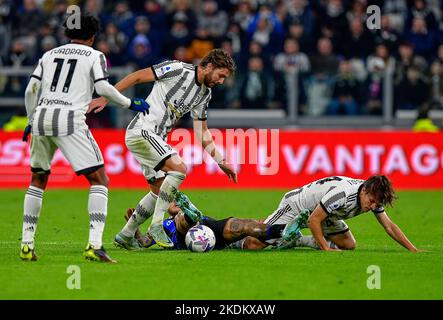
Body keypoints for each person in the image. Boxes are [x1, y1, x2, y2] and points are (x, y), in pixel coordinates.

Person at [20, 13, 150, 263]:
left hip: (40, 118)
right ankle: (95, 245)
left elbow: (31, 90)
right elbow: (101, 89)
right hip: (68, 121)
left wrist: (30, 119)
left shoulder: (48, 55)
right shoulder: (94, 55)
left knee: (37, 179)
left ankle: (27, 244)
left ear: (68, 34)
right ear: (92, 37)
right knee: (99, 178)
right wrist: (129, 102)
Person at [89, 49, 238, 249]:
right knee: (179, 169)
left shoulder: (204, 94)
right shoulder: (177, 69)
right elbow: (137, 76)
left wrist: (221, 161)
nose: (221, 81)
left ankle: (125, 235)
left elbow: (202, 132)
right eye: (221, 76)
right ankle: (157, 225)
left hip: (155, 138)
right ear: (209, 66)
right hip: (142, 130)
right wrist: (106, 97)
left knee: (158, 191)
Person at [242, 175, 422, 252]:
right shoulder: (343, 194)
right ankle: (242, 228)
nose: (372, 206)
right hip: (297, 206)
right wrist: (325, 248)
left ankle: (296, 239)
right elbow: (314, 220)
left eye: (377, 203)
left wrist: (412, 249)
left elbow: (389, 226)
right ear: (365, 190)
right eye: (372, 201)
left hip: (326, 214)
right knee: (253, 244)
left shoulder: (371, 196)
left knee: (348, 244)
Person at [122, 192, 288, 251]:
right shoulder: (162, 226)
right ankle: (189, 217)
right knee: (181, 222)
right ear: (164, 208)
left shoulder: (169, 221)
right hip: (184, 239)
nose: (174, 203)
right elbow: (143, 242)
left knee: (242, 226)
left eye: (177, 202)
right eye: (172, 202)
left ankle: (283, 230)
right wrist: (135, 228)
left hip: (207, 227)